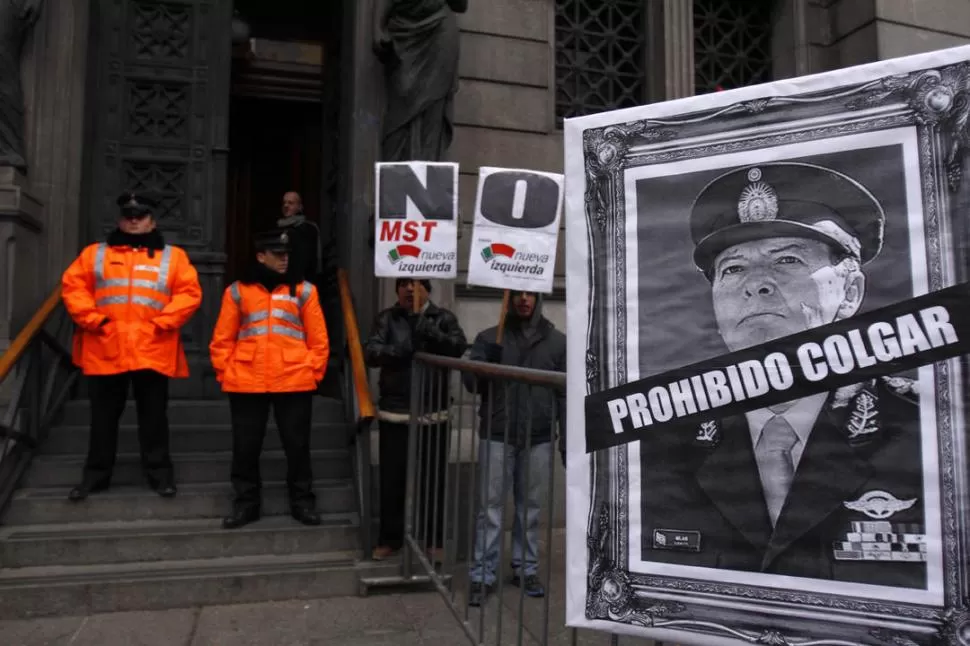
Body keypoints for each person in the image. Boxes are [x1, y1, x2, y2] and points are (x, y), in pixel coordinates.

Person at [638, 162, 924, 588]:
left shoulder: (926, 426)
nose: (756, 285)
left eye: (787, 259)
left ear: (850, 293)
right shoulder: (659, 436)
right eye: (733, 268)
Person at [61, 192, 202, 501]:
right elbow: (74, 287)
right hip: (105, 347)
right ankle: (95, 477)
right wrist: (94, 321)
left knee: (154, 418)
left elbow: (189, 294)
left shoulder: (173, 256)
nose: (134, 220)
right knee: (102, 419)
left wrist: (162, 323)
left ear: (152, 220)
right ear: (120, 219)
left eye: (141, 216)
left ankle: (160, 476)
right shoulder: (93, 254)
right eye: (129, 215)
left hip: (152, 348)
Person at [209, 229, 330, 529]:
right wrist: (226, 372)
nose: (284, 259)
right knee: (245, 448)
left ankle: (302, 503)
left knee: (297, 446)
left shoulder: (304, 290)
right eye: (278, 254)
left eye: (286, 254)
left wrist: (312, 373)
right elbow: (222, 339)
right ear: (261, 256)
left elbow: (319, 341)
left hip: (294, 380)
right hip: (247, 380)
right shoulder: (237, 291)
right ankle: (246, 504)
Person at [463, 291, 566, 606]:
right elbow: (471, 385)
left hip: (538, 436)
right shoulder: (487, 338)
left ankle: (525, 568)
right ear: (507, 299)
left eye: (529, 294)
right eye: (517, 293)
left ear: (538, 298)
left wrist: (568, 435)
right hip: (497, 432)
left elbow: (564, 393)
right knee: (490, 508)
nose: (523, 299)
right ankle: (483, 574)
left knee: (530, 508)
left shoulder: (557, 342)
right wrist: (483, 365)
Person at [364, 278, 467, 560]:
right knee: (392, 482)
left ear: (427, 290)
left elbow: (458, 347)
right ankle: (390, 539)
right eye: (405, 284)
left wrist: (430, 330)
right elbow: (372, 352)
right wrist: (401, 350)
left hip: (433, 414)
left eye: (417, 284)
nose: (411, 289)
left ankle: (433, 540)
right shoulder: (387, 319)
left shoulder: (443, 318)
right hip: (395, 412)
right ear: (397, 290)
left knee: (432, 481)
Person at [372, 0, 468, 161]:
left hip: (440, 27)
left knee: (434, 104)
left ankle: (429, 164)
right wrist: (377, 27)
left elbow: (461, 5)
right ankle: (396, 168)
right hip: (404, 30)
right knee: (400, 104)